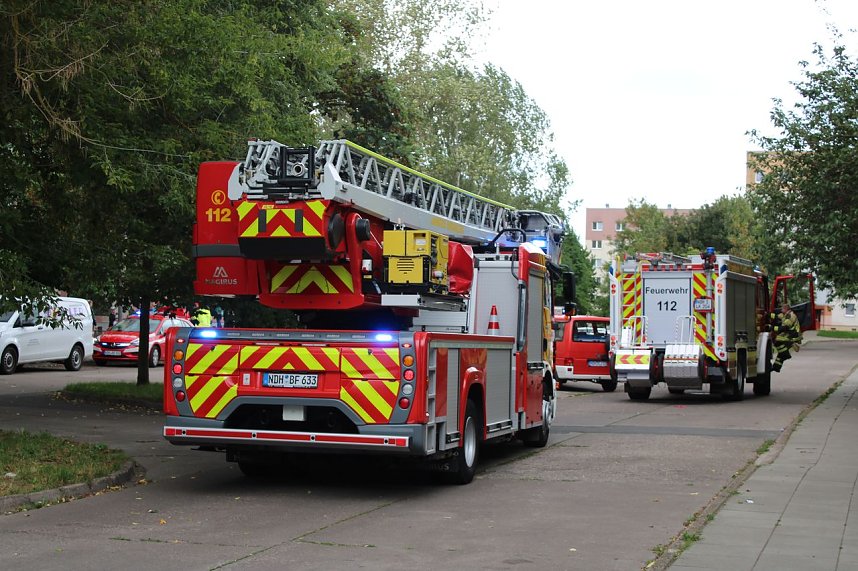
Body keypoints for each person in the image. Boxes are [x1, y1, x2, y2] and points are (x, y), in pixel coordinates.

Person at [772, 303, 802, 372]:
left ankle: (790, 345)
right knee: (781, 352)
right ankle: (776, 367)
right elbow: (777, 316)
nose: (781, 310)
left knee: (777, 340)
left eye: (782, 308)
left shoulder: (791, 316)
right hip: (789, 334)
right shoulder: (786, 315)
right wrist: (768, 314)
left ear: (786, 309)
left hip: (793, 335)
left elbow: (784, 327)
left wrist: (772, 328)